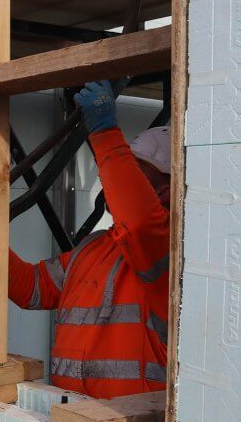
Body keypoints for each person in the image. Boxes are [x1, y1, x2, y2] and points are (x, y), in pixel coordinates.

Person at [9, 80, 171, 399]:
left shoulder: (171, 248)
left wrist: (105, 132)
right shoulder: (94, 248)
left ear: (166, 189)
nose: (107, 176)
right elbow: (32, 287)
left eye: (133, 171)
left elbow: (139, 221)